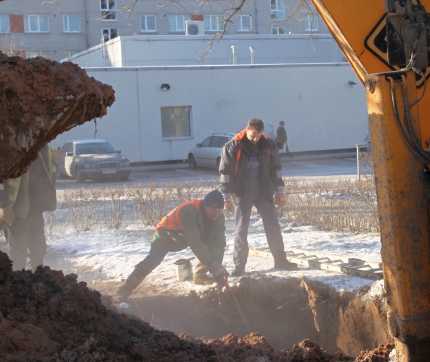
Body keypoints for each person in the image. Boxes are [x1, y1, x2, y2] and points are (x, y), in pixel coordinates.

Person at [116, 190, 228, 301]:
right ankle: (126, 289)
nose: (216, 215)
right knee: (153, 260)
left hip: (183, 237)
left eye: (219, 212)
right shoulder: (189, 210)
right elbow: (194, 241)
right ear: (205, 206)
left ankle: (200, 276)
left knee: (210, 237)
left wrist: (216, 267)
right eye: (214, 211)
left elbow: (218, 243)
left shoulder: (218, 218)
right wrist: (211, 263)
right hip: (166, 235)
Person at [220, 118, 298, 276]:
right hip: (243, 191)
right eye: (253, 135)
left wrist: (280, 190)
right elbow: (225, 172)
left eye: (258, 135)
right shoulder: (233, 146)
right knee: (241, 229)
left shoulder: (268, 144)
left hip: (263, 189)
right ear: (247, 130)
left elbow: (275, 168)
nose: (255, 138)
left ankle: (280, 260)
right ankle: (239, 266)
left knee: (273, 225)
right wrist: (226, 196)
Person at [0, 146, 57, 270]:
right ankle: (18, 284)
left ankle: (37, 283)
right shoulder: (11, 147)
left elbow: (50, 174)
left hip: (36, 210)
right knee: (18, 254)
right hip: (15, 213)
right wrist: (5, 207)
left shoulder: (43, 148)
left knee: (38, 250)